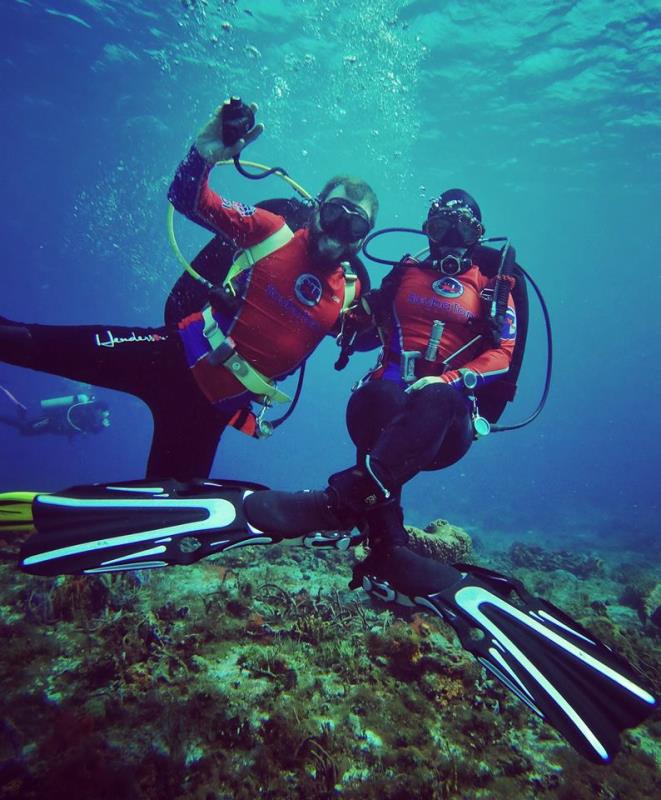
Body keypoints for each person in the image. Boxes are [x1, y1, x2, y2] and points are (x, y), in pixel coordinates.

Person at [0, 99, 378, 480]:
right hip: (170, 356)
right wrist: (204, 155)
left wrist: (401, 300)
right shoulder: (271, 230)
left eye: (355, 226)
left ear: (365, 239)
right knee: (28, 343)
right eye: (334, 213)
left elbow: (369, 338)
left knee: (165, 513)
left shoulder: (350, 290)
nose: (339, 231)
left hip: (214, 410)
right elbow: (189, 199)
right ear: (316, 209)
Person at [247, 188, 518, 593]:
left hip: (446, 427)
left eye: (462, 231)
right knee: (381, 396)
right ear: (427, 229)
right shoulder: (404, 273)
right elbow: (352, 320)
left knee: (436, 399)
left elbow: (505, 353)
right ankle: (387, 545)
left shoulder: (492, 289)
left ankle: (337, 503)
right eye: (442, 227)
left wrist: (448, 381)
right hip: (380, 409)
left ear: (478, 236)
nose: (450, 240)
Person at [0, 384, 110, 437]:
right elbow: (93, 429)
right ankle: (20, 411)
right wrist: (103, 425)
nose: (102, 415)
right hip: (51, 421)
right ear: (99, 409)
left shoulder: (87, 408)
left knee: (25, 428)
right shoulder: (89, 412)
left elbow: (88, 428)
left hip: (52, 424)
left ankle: (21, 410)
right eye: (103, 412)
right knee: (25, 428)